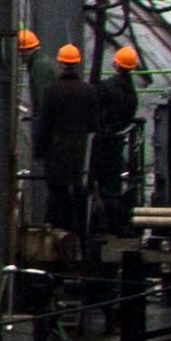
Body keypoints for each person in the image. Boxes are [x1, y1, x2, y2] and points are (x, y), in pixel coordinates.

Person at [34, 42, 103, 251]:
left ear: (60, 64)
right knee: (80, 194)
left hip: (58, 153)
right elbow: (95, 124)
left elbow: (45, 124)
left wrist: (40, 152)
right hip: (82, 152)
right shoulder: (89, 91)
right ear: (77, 64)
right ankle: (81, 236)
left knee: (57, 194)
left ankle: (59, 234)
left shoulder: (52, 92)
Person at [92, 44, 143, 238]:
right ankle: (115, 223)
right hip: (117, 141)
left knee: (100, 183)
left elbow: (97, 110)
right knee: (113, 184)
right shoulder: (131, 92)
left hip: (103, 141)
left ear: (115, 63)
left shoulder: (106, 87)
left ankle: (103, 224)